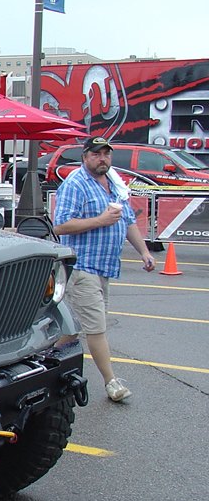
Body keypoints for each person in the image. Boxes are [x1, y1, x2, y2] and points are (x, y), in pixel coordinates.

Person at [52, 136, 156, 403]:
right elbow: (60, 226)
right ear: (85, 156)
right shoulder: (76, 184)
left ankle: (42, 360)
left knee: (73, 328)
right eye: (97, 154)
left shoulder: (114, 185)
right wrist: (101, 220)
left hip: (104, 267)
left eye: (107, 154)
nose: (103, 159)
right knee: (96, 328)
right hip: (82, 266)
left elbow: (129, 222)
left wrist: (144, 252)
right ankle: (112, 382)